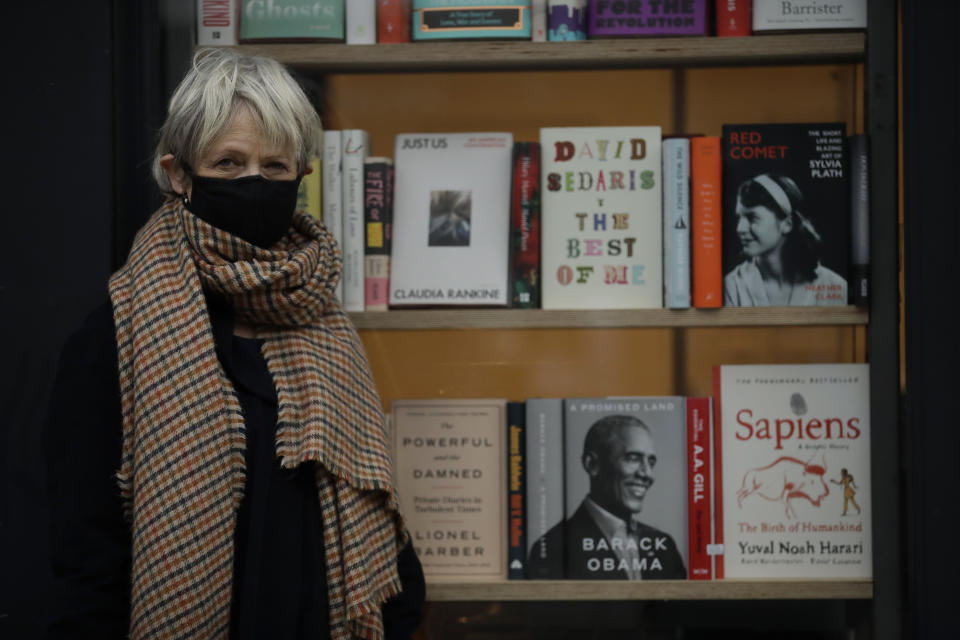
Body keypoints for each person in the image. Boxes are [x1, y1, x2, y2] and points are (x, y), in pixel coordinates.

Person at [43, 48, 424, 639]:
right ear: (178, 173)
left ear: (301, 175)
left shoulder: (326, 323)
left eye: (275, 167)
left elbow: (373, 505)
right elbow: (87, 551)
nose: (254, 181)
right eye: (228, 162)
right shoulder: (116, 334)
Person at [526, 415, 686, 580]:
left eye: (651, 462)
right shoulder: (553, 548)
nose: (647, 474)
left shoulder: (664, 545)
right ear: (592, 464)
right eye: (633, 458)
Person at [723, 172, 847, 306]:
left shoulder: (833, 285)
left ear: (786, 224)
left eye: (752, 217)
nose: (740, 228)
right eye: (739, 218)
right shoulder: (732, 286)